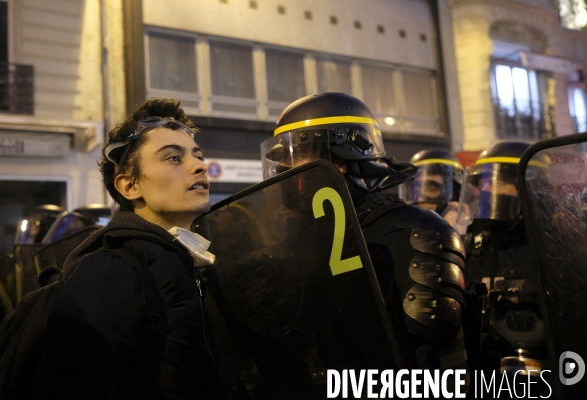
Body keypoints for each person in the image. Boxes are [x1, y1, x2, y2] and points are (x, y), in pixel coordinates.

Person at [260, 93, 468, 377]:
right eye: (282, 157)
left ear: (342, 159)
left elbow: (431, 360)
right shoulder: (296, 240)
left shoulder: (414, 229)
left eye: (296, 154)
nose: (284, 167)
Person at [29, 98, 220, 399]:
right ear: (130, 187)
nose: (199, 166)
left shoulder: (189, 261)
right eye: (173, 158)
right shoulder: (108, 272)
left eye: (197, 155)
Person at [456, 141, 548, 384]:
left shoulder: (554, 246)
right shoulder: (474, 245)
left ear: (531, 187)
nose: (486, 189)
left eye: (497, 182)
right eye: (482, 183)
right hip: (485, 375)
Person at [399, 149, 463, 227]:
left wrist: (457, 233)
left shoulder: (473, 231)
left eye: (431, 190)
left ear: (454, 195)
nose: (419, 199)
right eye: (415, 191)